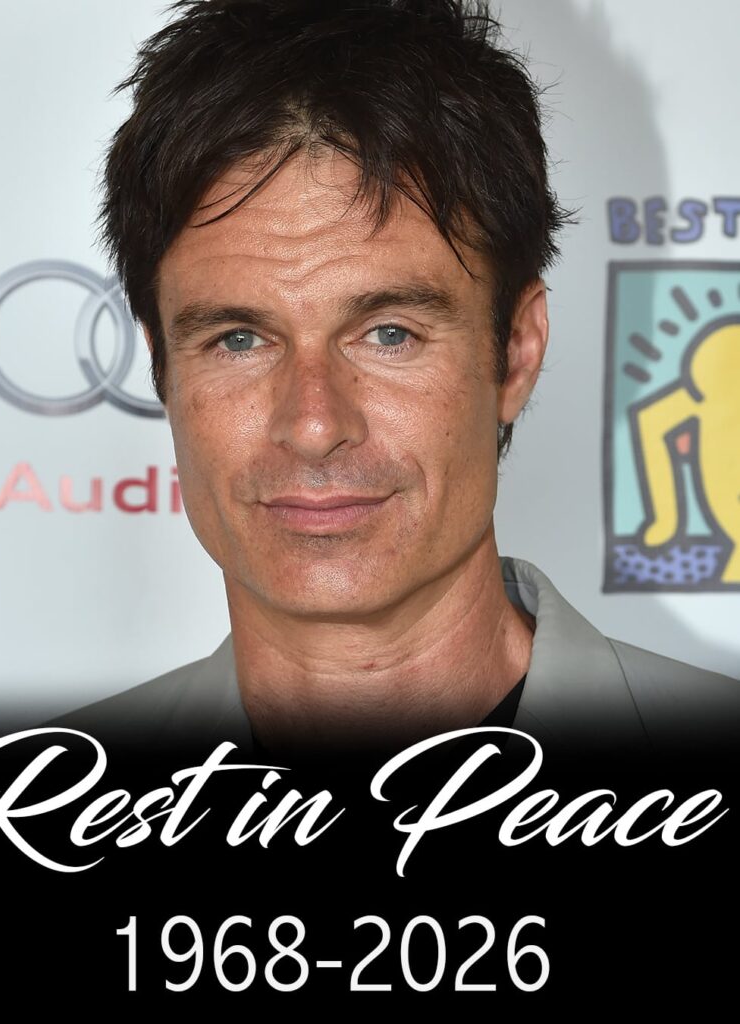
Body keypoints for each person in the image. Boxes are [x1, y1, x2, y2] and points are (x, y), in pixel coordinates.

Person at [59, 0, 738, 757]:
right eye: (239, 340)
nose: (313, 425)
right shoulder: (38, 802)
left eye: (389, 335)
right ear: (161, 365)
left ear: (516, 351)